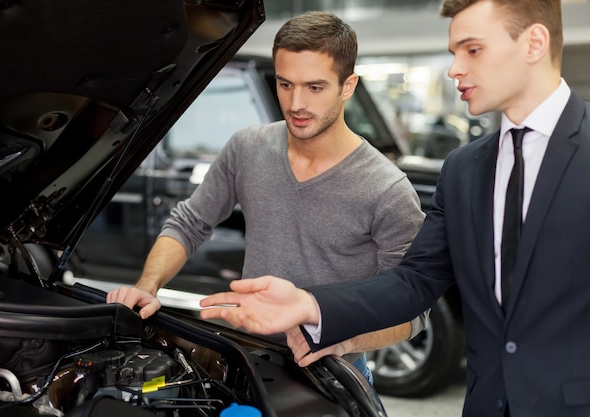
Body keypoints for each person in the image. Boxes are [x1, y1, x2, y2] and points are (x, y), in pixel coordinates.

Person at [200, 1, 590, 416]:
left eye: (472, 49)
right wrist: (310, 304)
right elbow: (414, 281)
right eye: (454, 51)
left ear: (534, 43)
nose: (454, 68)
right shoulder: (464, 170)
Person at [107, 11, 426, 384]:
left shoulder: (387, 189)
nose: (296, 104)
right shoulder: (248, 148)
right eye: (285, 84)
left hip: (332, 374)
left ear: (348, 85)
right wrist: (147, 286)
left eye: (315, 87)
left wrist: (342, 342)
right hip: (247, 358)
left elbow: (412, 313)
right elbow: (189, 223)